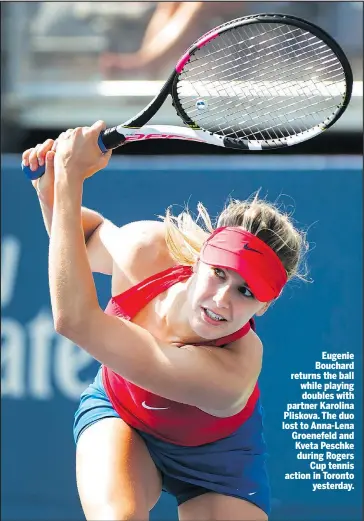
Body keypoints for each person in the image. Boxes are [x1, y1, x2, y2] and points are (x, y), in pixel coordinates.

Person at [22, 121, 309, 521]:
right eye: (219, 273)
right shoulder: (147, 250)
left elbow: (75, 321)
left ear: (264, 306)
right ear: (198, 261)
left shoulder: (231, 375)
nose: (221, 300)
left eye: (246, 292)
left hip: (219, 462)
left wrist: (71, 177)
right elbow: (82, 239)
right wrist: (49, 188)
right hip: (121, 411)